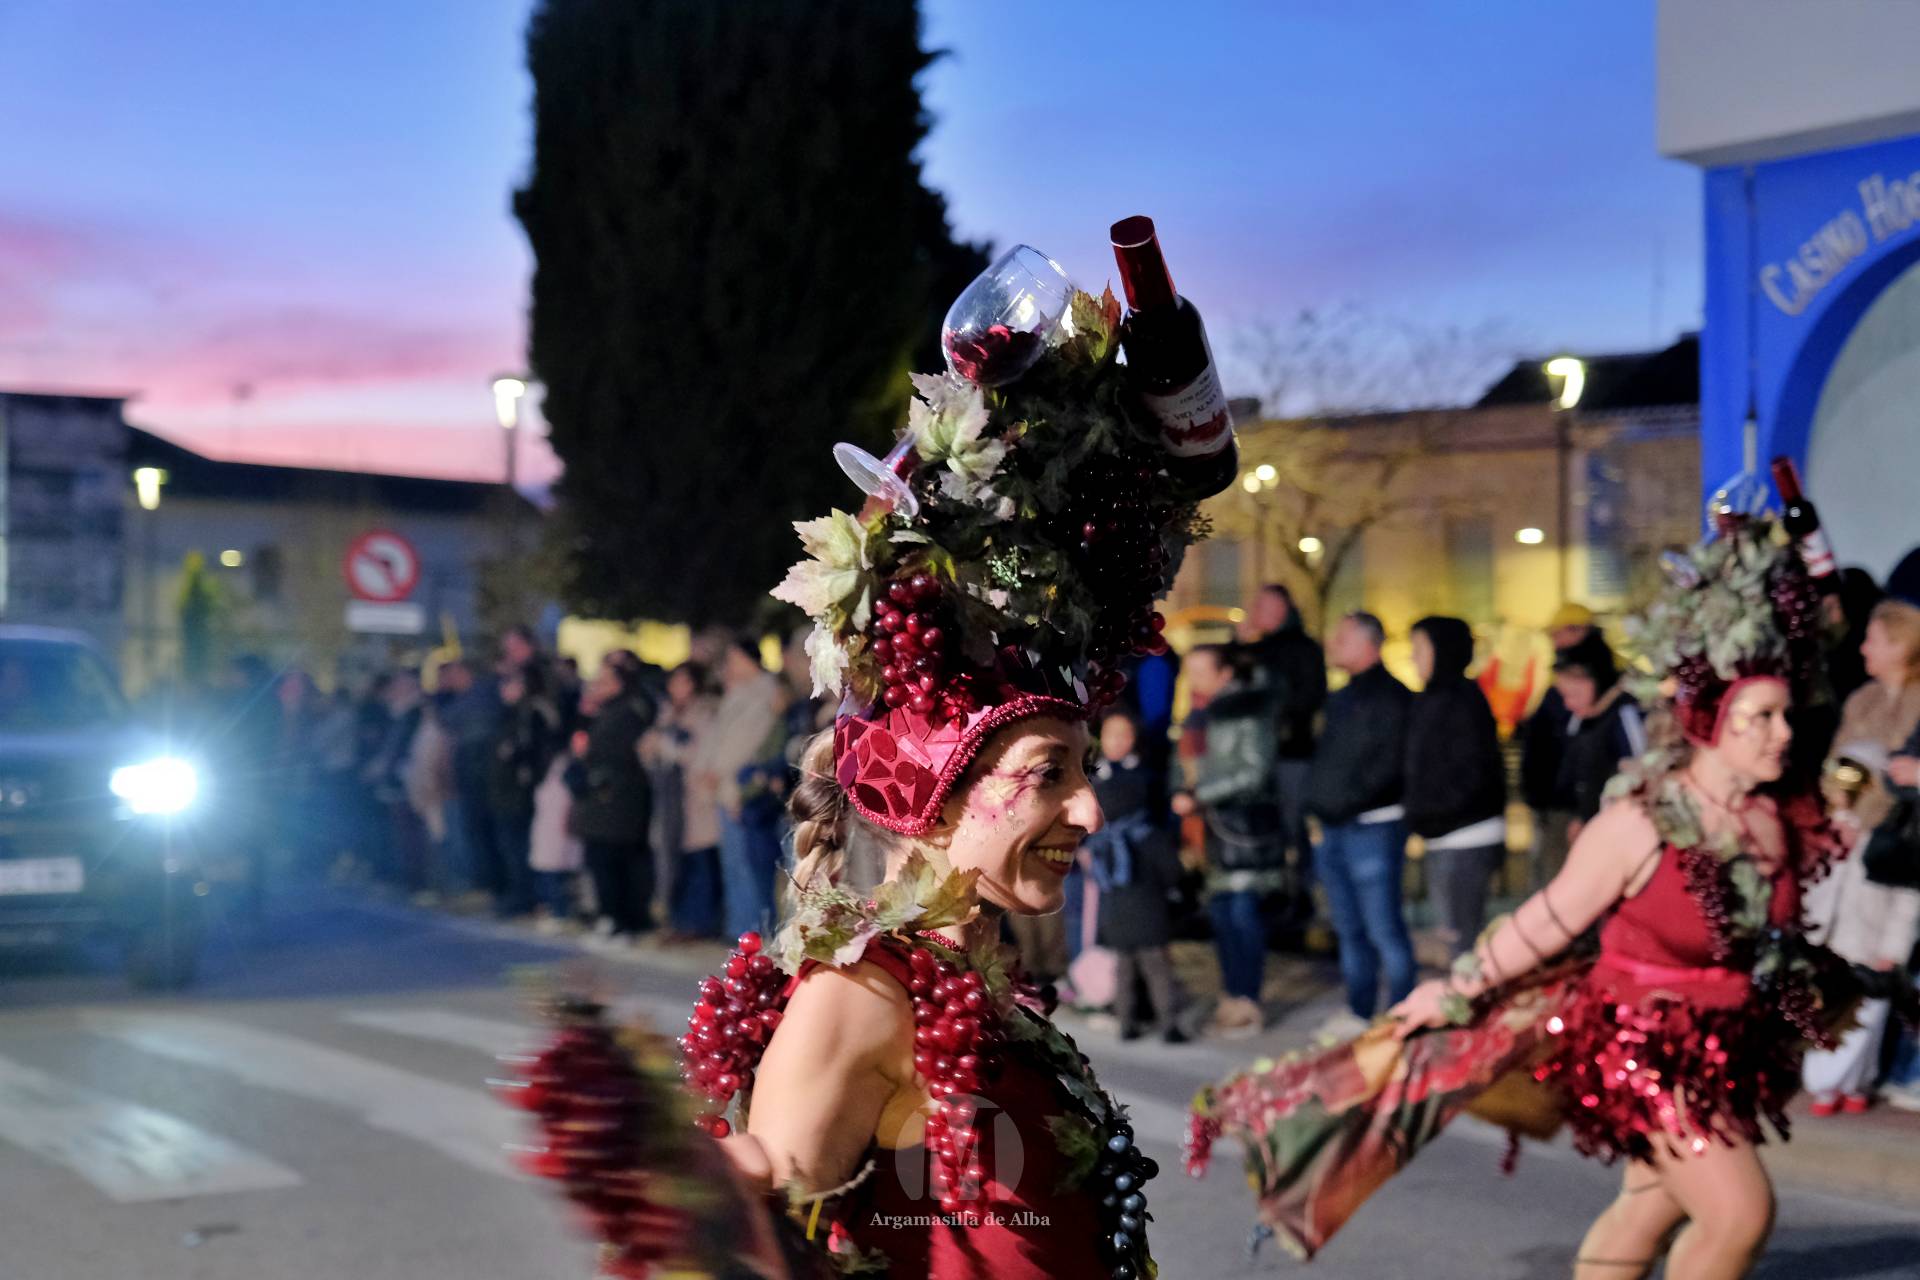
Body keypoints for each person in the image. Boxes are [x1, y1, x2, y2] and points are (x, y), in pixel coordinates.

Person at [511, 279, 1175, 1278]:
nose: (1088, 805)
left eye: (1086, 769)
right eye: (1049, 773)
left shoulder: (973, 972)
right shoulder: (863, 993)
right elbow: (767, 1230)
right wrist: (693, 1199)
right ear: (933, 793)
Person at [1388, 517, 1858, 1279]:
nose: (1781, 733)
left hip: (1726, 1046)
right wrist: (1456, 990)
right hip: (1645, 1047)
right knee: (1739, 1213)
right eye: (1760, 717)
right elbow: (1547, 918)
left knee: (1651, 1204)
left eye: (1784, 715)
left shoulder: (1770, 815)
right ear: (1708, 721)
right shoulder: (1639, 822)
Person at [1800, 598, 1920, 1114]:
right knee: (1844, 959)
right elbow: (1837, 765)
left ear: (1901, 645)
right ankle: (1840, 1076)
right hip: (1852, 841)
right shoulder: (1862, 699)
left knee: (1881, 960)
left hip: (1899, 845)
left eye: (1875, 638)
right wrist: (1842, 813)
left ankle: (1853, 1075)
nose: (1865, 648)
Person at [1305, 611, 1416, 1028]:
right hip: (1335, 827)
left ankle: (1403, 1017)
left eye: (1342, 637)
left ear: (1369, 643)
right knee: (1349, 928)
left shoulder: (1392, 698)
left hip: (1373, 826)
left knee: (1384, 928)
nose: (1333, 643)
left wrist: (1341, 803)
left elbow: (1389, 767)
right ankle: (1360, 1010)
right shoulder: (1342, 697)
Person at [1173, 644, 1284, 1038]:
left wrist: (1201, 794)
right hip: (1213, 832)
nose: (1194, 680)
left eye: (1201, 671)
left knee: (1242, 915)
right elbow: (1186, 764)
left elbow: (1255, 771)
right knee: (1222, 915)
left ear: (1224, 673)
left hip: (1244, 829)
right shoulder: (1199, 715)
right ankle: (1232, 995)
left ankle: (1247, 999)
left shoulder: (1247, 709)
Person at [1404, 616, 1507, 960]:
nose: (1413, 658)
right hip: (1442, 834)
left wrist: (1431, 812)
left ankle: (1467, 1009)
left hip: (1465, 834)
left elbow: (1471, 773)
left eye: (1420, 648)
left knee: (1462, 944)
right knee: (1452, 937)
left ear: (1443, 651)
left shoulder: (1463, 701)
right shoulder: (1429, 700)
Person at [1087, 709, 1188, 1043]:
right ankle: (1167, 1022)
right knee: (1156, 966)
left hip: (1118, 906)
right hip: (1149, 906)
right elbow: (1171, 868)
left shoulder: (1103, 844)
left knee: (1125, 966)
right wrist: (1176, 887)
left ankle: (1126, 1021)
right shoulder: (1148, 833)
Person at [1242, 582, 1327, 932]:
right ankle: (1275, 893)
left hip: (1290, 754)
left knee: (1293, 827)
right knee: (1268, 825)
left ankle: (1300, 895)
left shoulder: (1300, 649)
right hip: (1262, 755)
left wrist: (1275, 715)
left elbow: (1310, 696)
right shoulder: (1258, 648)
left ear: (1278, 610)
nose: (1253, 613)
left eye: (1260, 607)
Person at [695, 638, 785, 942]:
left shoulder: (764, 691)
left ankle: (753, 929)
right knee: (733, 862)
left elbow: (748, 741)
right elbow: (719, 736)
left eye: (733, 659)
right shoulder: (738, 693)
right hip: (724, 785)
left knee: (748, 863)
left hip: (743, 786)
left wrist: (718, 768)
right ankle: (739, 926)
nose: (729, 667)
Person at [567, 657, 656, 943]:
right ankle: (611, 919)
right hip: (602, 805)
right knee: (603, 862)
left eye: (602, 682)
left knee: (615, 864)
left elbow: (620, 760)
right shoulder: (604, 713)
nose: (594, 687)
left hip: (616, 803)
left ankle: (621, 922)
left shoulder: (627, 713)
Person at [1520, 603, 1603, 889]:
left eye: (1559, 633)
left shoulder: (1599, 691)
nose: (1554, 640)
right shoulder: (1562, 680)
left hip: (1568, 806)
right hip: (1555, 802)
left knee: (1562, 884)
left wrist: (1580, 808)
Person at [642, 661, 722, 941]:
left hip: (694, 797)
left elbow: (700, 752)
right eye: (673, 682)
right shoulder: (667, 713)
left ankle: (698, 922)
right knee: (673, 859)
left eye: (682, 682)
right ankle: (677, 920)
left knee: (698, 860)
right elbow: (651, 747)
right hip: (669, 798)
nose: (676, 688)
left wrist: (667, 747)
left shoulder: (705, 713)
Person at [488, 662, 562, 922]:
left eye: (512, 682)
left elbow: (537, 751)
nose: (505, 688)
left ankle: (528, 898)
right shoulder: (507, 713)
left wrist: (526, 774)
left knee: (522, 847)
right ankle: (518, 894)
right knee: (511, 847)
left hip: (522, 792)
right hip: (505, 791)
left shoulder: (534, 713)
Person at [1554, 632, 1647, 835]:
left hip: (1618, 830)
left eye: (1574, 694)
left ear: (1597, 681)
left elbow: (1643, 773)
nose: (1568, 704)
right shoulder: (1582, 717)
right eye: (1564, 696)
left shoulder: (1625, 714)